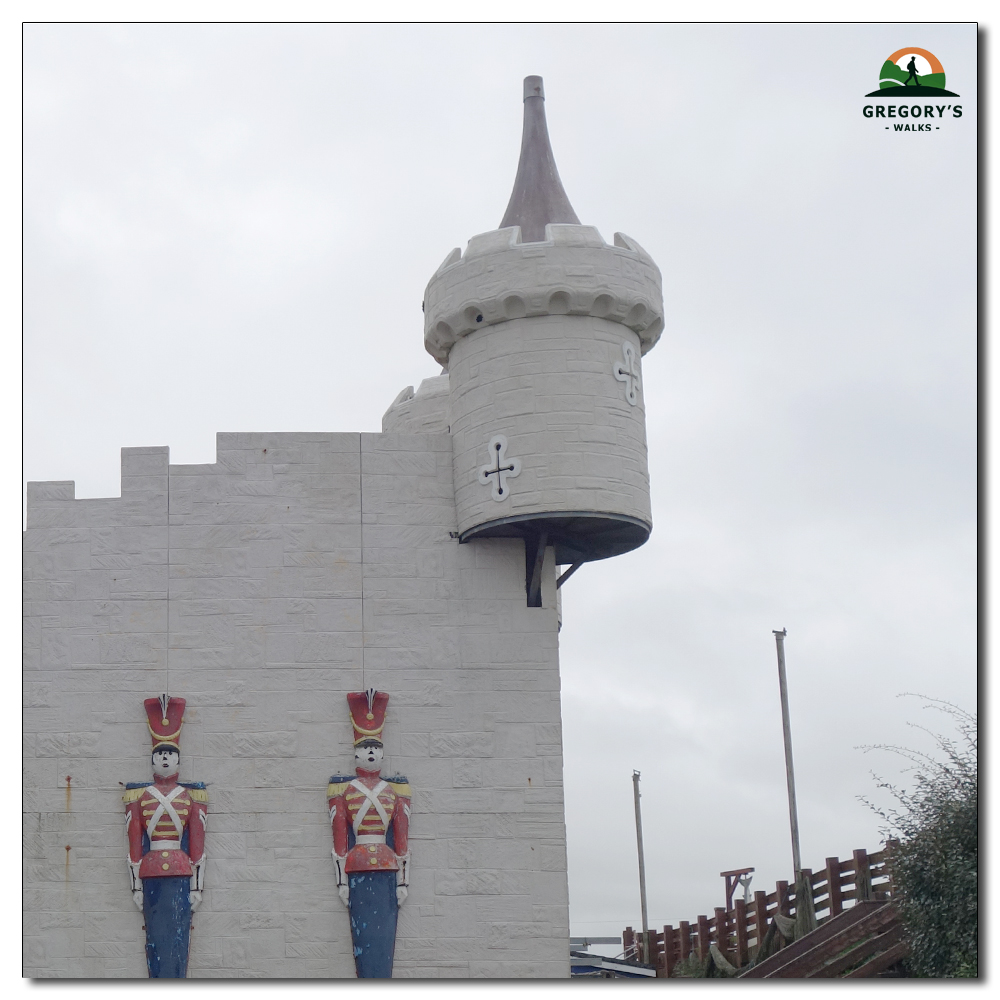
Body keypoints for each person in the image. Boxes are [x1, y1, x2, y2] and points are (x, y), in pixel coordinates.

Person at [123, 695, 207, 978]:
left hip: (182, 868)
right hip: (150, 867)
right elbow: (135, 841)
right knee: (156, 934)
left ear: (179, 759)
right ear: (153, 760)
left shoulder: (189, 796)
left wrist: (197, 887)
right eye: (160, 754)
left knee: (178, 933)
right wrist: (136, 886)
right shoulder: (141, 797)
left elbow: (197, 844)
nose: (165, 758)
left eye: (170, 754)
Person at [328, 689, 411, 978]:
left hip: (388, 864)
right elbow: (340, 837)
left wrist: (403, 881)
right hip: (357, 862)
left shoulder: (394, 791)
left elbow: (402, 839)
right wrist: (341, 881)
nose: (371, 752)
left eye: (375, 748)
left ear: (383, 753)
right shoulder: (345, 790)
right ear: (356, 754)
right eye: (366, 748)